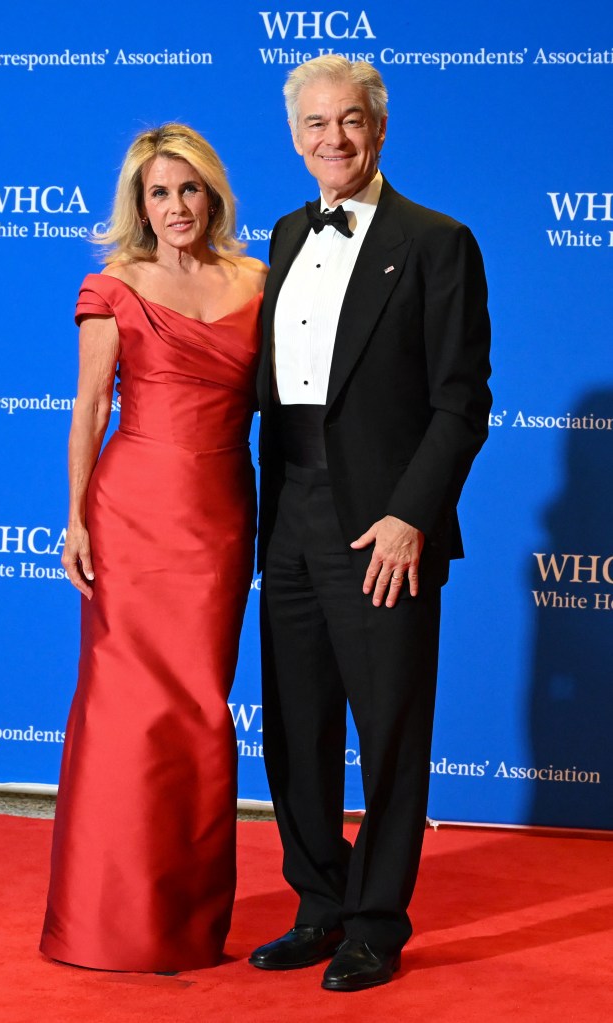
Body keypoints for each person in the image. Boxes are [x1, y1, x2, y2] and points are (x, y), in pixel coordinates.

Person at [249, 56, 492, 991]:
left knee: (389, 728)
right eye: (315, 124)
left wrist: (409, 516)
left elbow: (462, 400)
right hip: (289, 511)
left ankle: (376, 923)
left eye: (349, 121)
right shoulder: (279, 234)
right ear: (295, 135)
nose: (333, 141)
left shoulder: (438, 241)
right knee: (295, 724)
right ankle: (318, 901)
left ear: (379, 128)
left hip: (384, 524)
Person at [40, 124, 266, 973]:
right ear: (140, 203)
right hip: (133, 508)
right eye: (159, 192)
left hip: (218, 511)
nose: (176, 207)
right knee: (125, 705)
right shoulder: (114, 285)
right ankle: (107, 916)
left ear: (213, 195)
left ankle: (187, 917)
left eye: (190, 190)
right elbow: (90, 407)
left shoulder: (260, 282)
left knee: (202, 704)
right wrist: (75, 518)